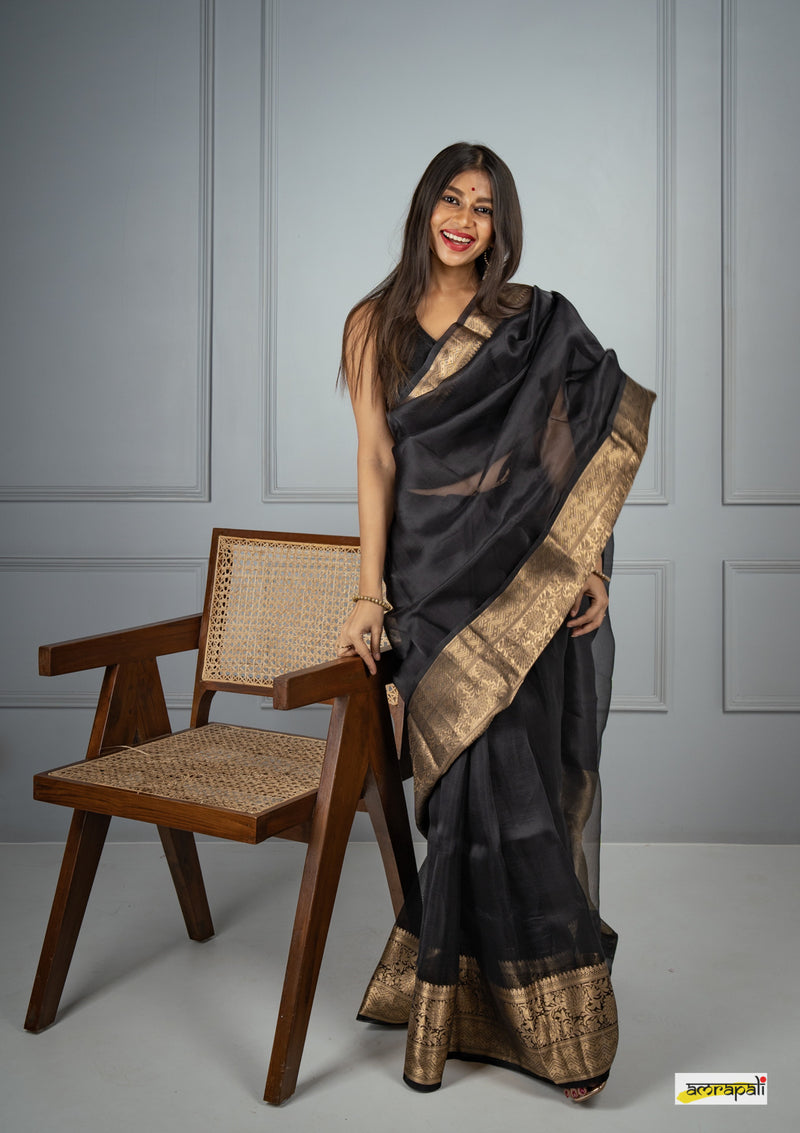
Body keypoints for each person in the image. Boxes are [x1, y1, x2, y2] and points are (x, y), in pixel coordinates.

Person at [336, 142, 655, 1102]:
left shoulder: (530, 322)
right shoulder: (373, 324)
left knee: (519, 788)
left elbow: (571, 445)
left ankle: (567, 1029)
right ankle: (467, 1001)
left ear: (500, 226)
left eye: (484, 206)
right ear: (425, 207)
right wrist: (368, 593)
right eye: (452, 198)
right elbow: (376, 460)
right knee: (461, 796)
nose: (464, 219)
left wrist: (586, 564)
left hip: (517, 580)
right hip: (428, 584)